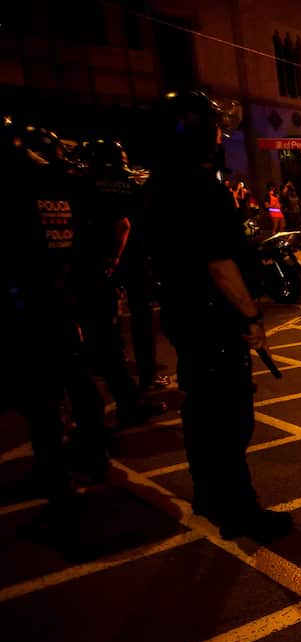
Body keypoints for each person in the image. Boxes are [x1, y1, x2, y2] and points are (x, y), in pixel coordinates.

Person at [140, 89, 291, 542]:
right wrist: (250, 317)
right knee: (228, 418)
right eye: (218, 129)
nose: (224, 136)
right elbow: (219, 262)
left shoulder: (158, 186)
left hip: (184, 315)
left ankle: (208, 495)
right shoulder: (199, 188)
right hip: (213, 318)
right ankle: (239, 511)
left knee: (202, 412)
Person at [2, 122, 108, 508]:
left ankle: (53, 475)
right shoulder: (66, 186)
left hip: (30, 307)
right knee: (77, 383)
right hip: (67, 301)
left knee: (42, 398)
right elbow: (88, 243)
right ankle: (94, 457)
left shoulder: (16, 189)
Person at [73, 138, 166, 427]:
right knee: (141, 318)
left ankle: (111, 379)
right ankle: (146, 376)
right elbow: (142, 221)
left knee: (102, 329)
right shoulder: (134, 183)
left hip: (97, 263)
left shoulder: (83, 183)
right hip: (135, 259)